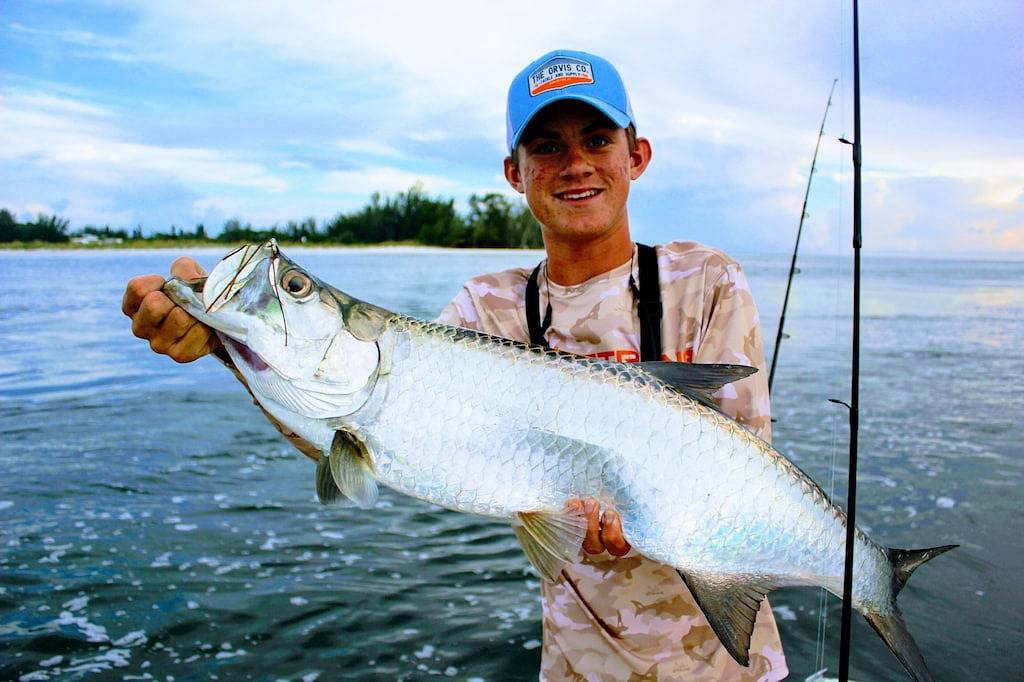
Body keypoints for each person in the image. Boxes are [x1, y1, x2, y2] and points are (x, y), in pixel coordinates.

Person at [122, 48, 787, 680]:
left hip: (730, 668)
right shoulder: (485, 308)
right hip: (578, 669)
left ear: (635, 156)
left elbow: (745, 459)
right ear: (514, 173)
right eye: (546, 146)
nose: (575, 163)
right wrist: (232, 350)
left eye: (597, 139)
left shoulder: (705, 280)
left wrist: (656, 517)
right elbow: (352, 440)